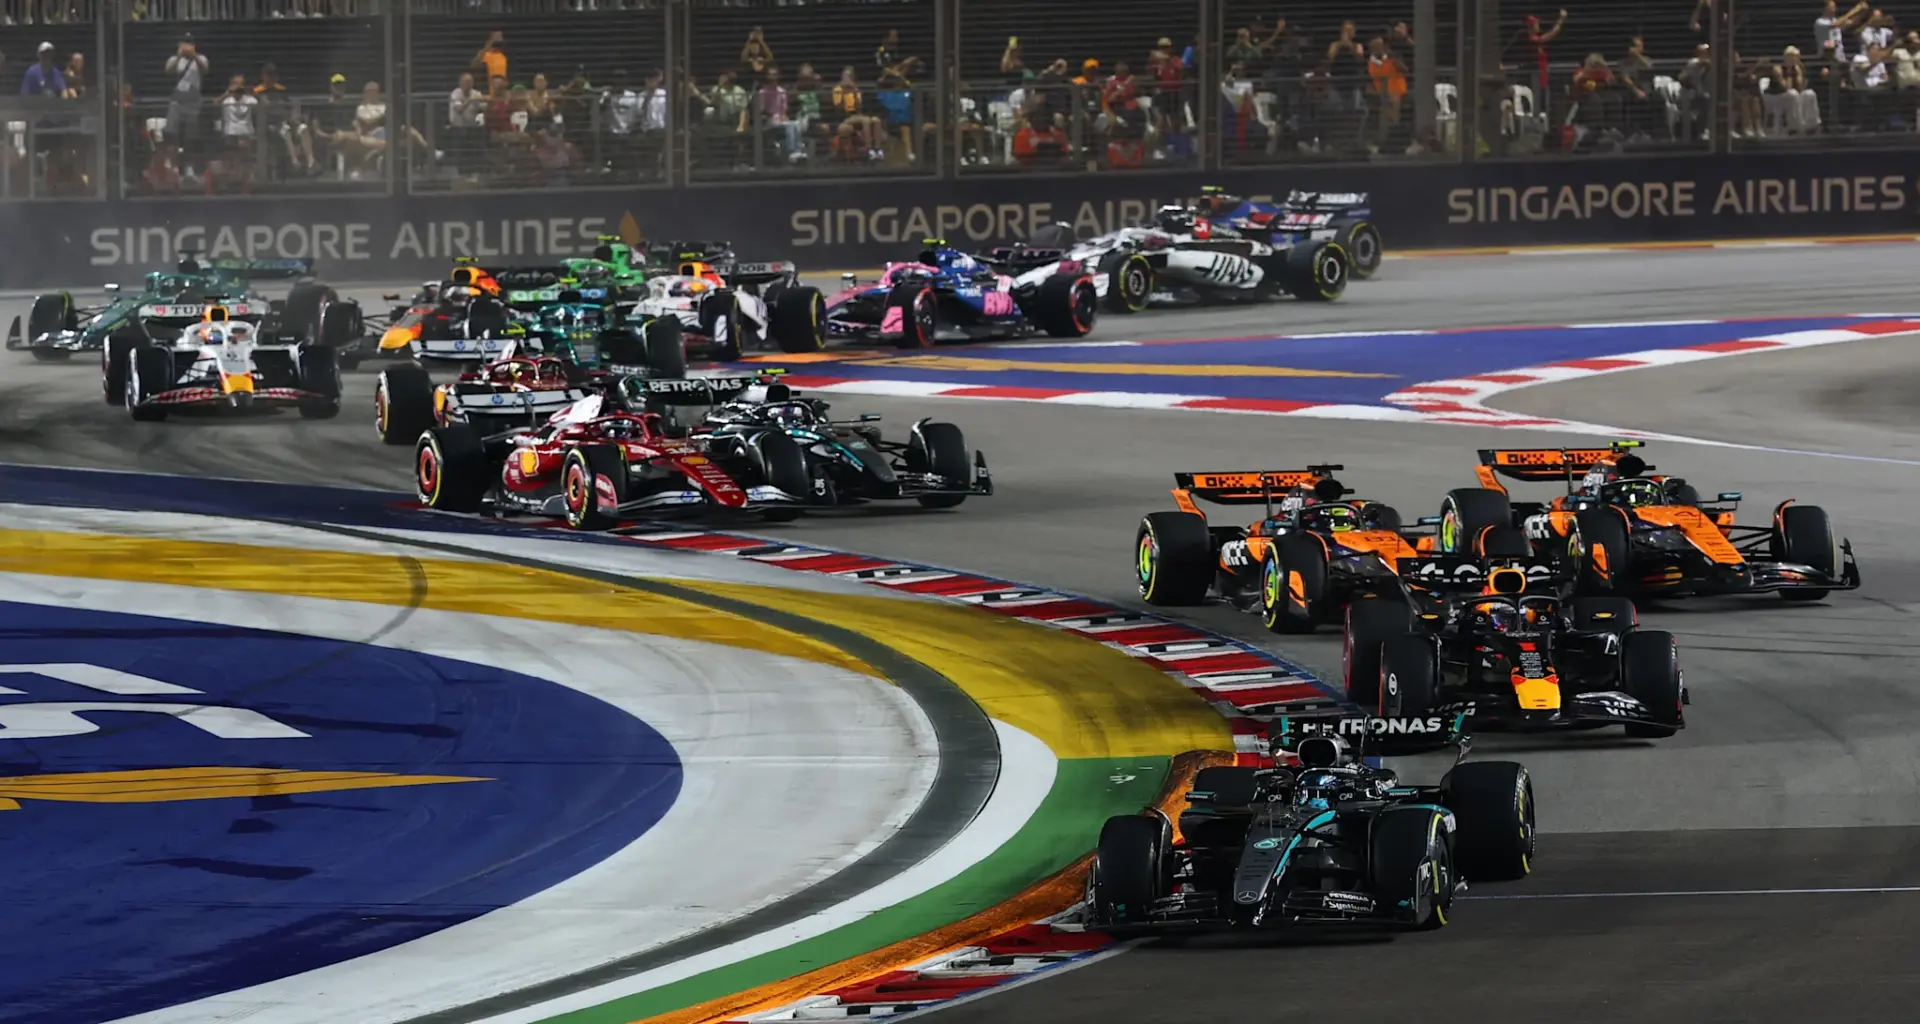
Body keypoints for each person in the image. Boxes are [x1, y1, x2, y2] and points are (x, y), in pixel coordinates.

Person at [164, 34, 207, 166]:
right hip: (177, 100)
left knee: (191, 137)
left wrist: (193, 55)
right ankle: (173, 166)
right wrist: (179, 56)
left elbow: (205, 70)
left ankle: (190, 167)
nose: (187, 46)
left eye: (190, 43)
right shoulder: (174, 59)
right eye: (185, 43)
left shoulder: (201, 58)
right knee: (172, 135)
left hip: (193, 101)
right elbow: (168, 71)